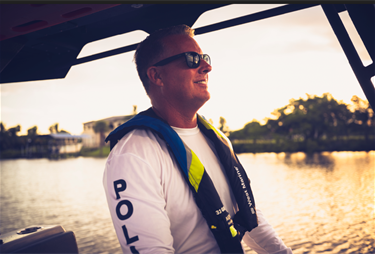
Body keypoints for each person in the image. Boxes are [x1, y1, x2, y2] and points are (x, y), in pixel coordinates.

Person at [103, 24, 293, 254]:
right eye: (192, 59)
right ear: (156, 75)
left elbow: (247, 213)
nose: (207, 67)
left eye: (204, 58)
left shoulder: (218, 139)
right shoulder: (133, 155)